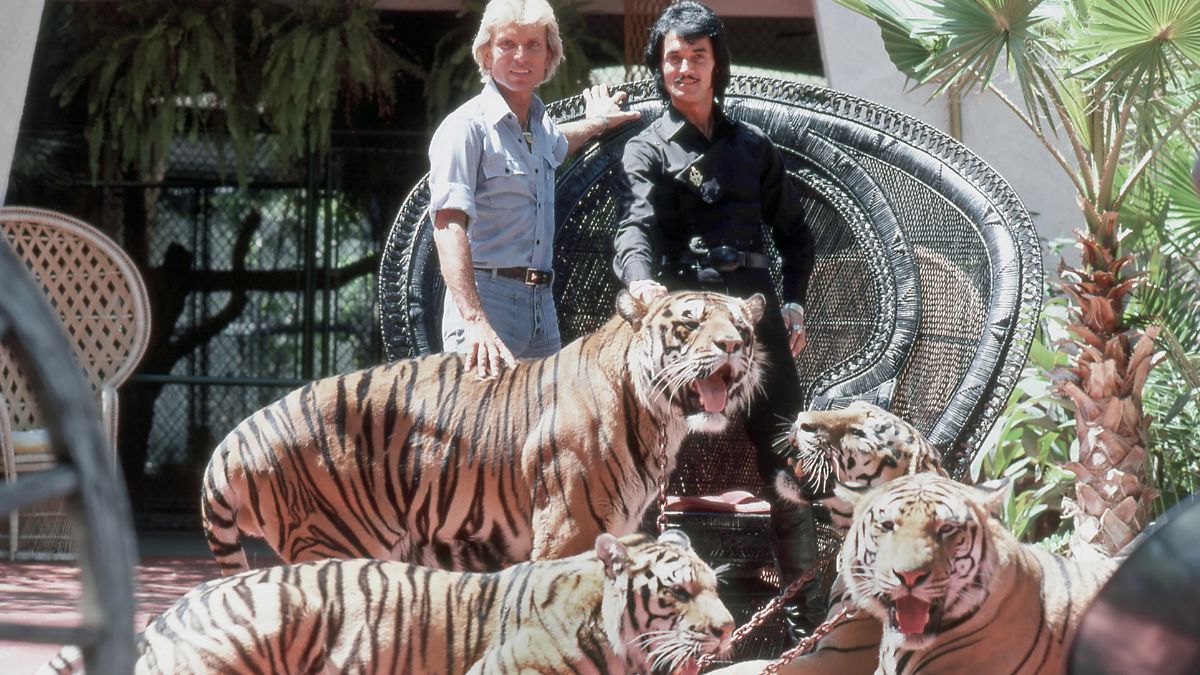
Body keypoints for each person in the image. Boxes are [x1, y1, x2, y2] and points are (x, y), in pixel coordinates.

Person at [611, 1, 822, 636]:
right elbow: (634, 228)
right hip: (683, 332)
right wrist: (641, 280)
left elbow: (797, 234)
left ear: (716, 64)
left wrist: (793, 302)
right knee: (649, 473)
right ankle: (649, 627)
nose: (684, 68)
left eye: (696, 56)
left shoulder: (753, 147)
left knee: (788, 463)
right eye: (673, 57)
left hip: (753, 325)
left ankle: (807, 622)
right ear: (660, 66)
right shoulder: (645, 148)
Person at [427, 0, 640, 379]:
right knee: (483, 434)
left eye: (533, 45)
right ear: (486, 53)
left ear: (549, 57)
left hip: (542, 307)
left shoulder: (539, 129)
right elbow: (447, 227)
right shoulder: (466, 128)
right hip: (486, 303)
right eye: (507, 44)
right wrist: (474, 319)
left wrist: (599, 122)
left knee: (544, 435)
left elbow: (561, 142)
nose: (520, 56)